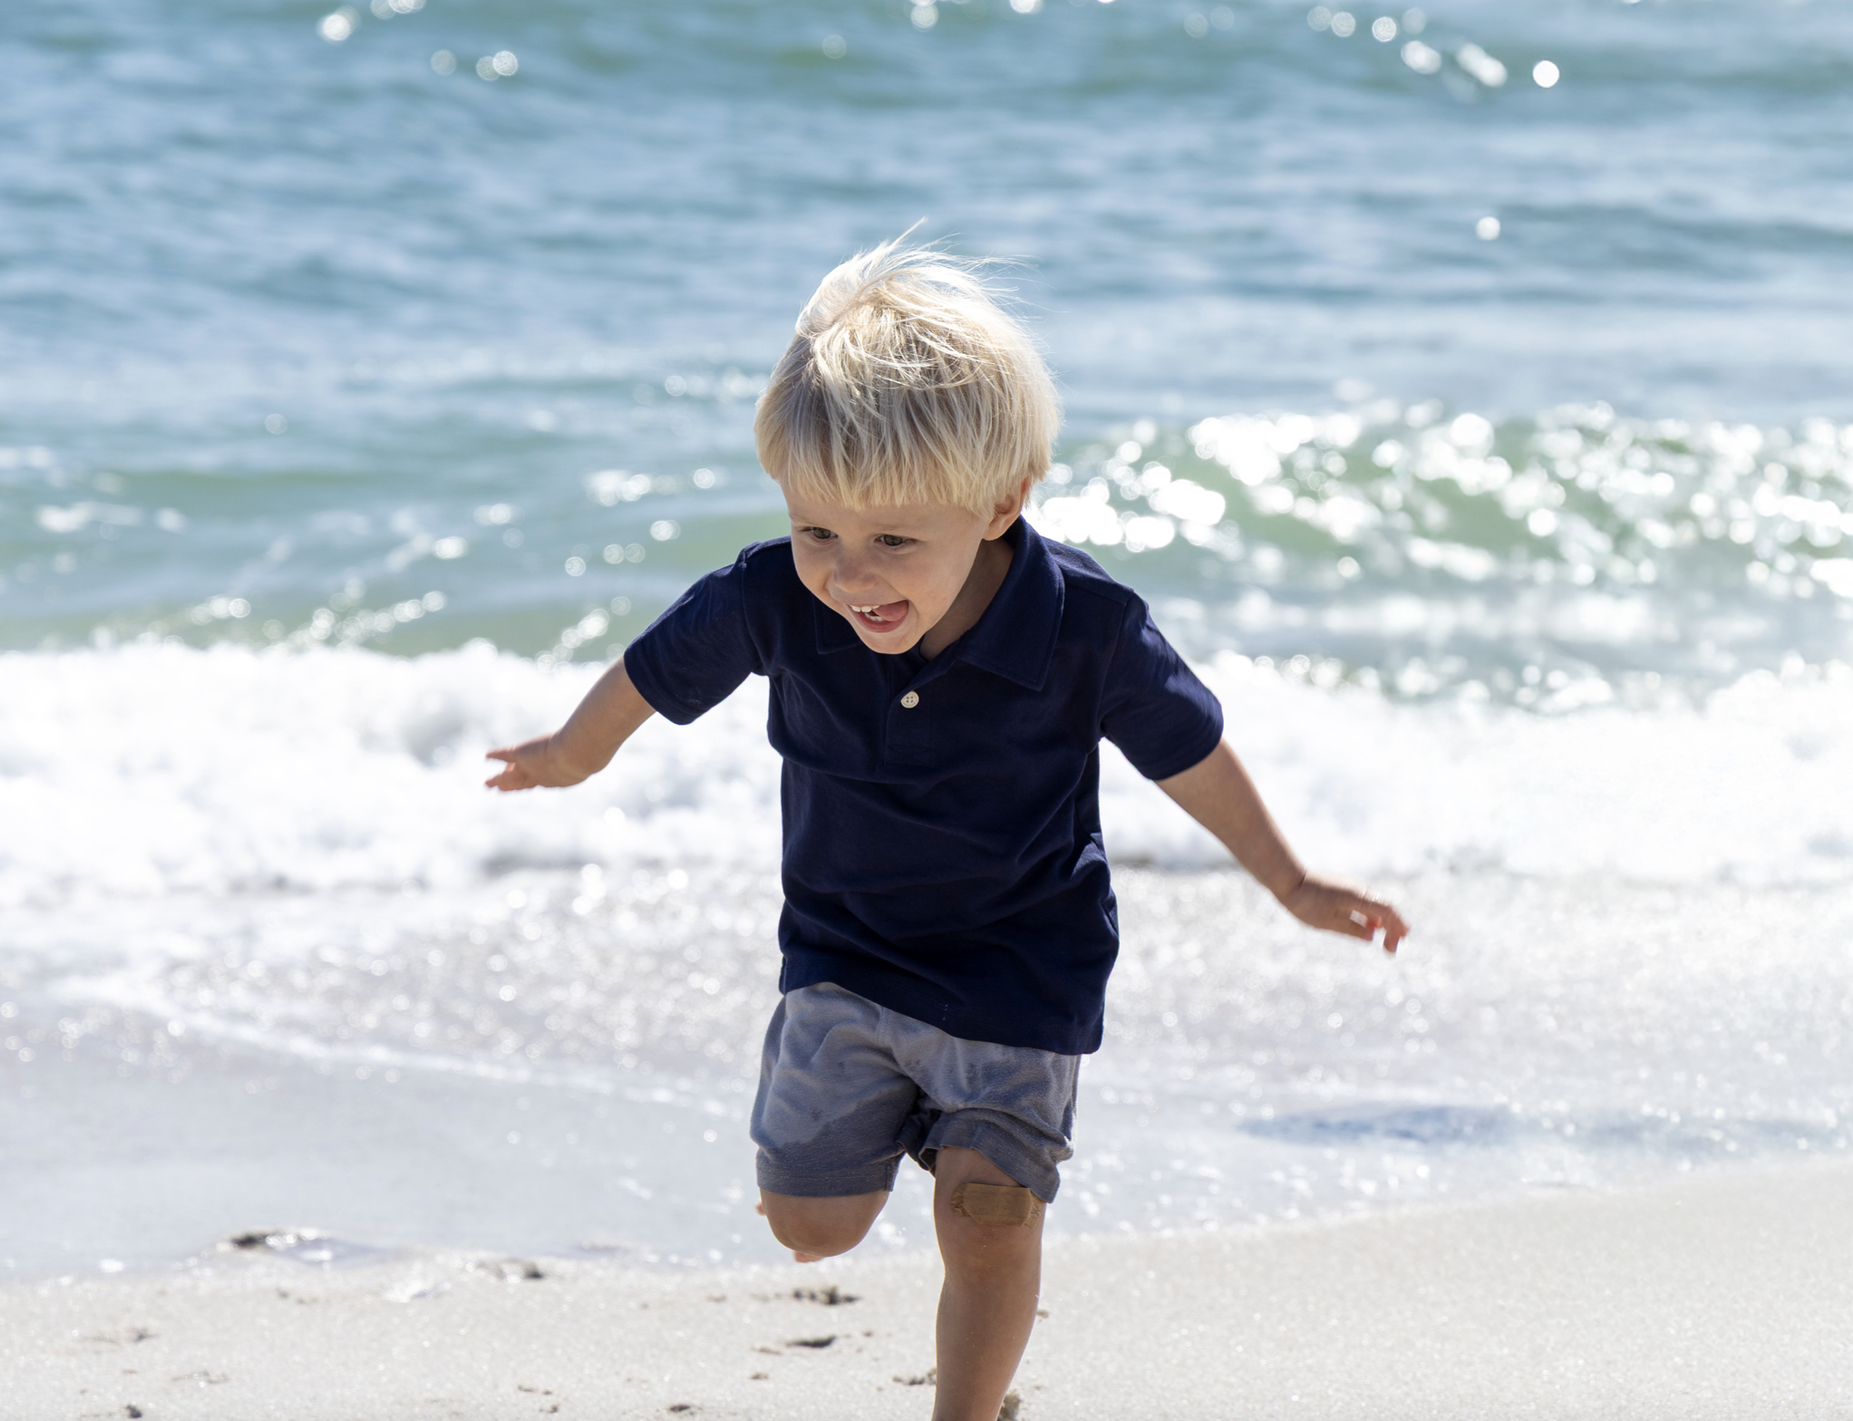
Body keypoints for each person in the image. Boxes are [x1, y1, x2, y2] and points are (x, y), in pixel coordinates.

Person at [485, 238, 1407, 1421]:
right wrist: (571, 755)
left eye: (891, 543)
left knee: (986, 1217)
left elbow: (1188, 753)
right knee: (810, 1231)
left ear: (1001, 501)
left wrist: (1290, 883)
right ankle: (905, 1126)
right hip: (844, 958)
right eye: (817, 530)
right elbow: (652, 675)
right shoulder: (771, 596)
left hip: (1023, 965)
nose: (846, 574)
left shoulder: (1085, 627)